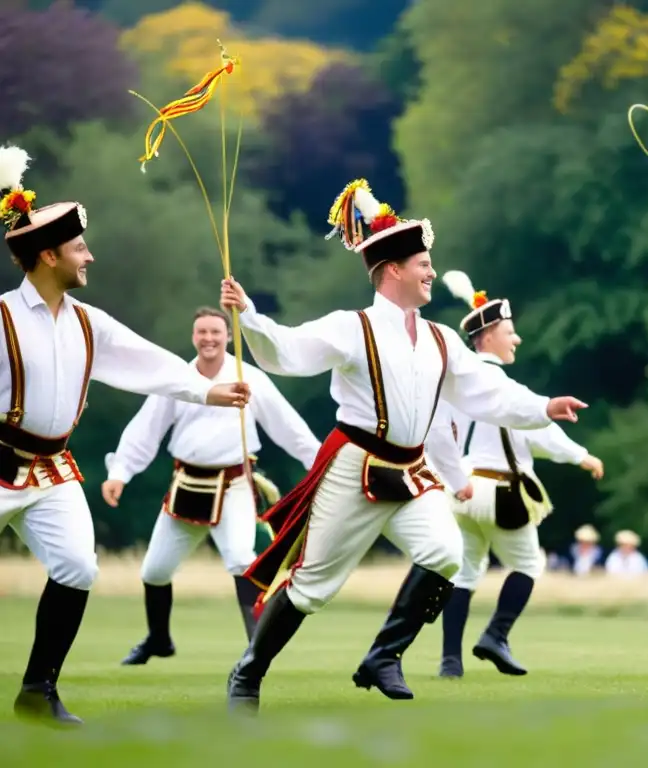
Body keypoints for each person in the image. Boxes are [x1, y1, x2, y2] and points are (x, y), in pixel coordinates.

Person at [220, 178, 588, 709]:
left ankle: (382, 657)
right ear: (392, 270)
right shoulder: (353, 327)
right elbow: (287, 351)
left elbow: (489, 390)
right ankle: (248, 675)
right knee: (312, 588)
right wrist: (249, 315)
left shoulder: (440, 338)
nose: (432, 272)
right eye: (423, 265)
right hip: (354, 466)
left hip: (411, 471)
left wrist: (543, 407)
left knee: (446, 553)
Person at [0, 144, 248, 726]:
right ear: (46, 254)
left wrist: (209, 391)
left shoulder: (88, 321)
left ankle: (38, 692)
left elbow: (149, 362)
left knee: (78, 569)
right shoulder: (3, 318)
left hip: (53, 470)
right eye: (79, 247)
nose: (90, 256)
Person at [102, 306, 321, 665]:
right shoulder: (177, 379)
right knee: (154, 571)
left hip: (233, 485)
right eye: (202, 332)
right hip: (185, 486)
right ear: (193, 337)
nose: (208, 339)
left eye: (216, 332)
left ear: (228, 336)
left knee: (240, 559)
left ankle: (257, 647)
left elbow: (287, 426)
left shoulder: (249, 379)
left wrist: (317, 463)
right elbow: (146, 429)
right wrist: (120, 472)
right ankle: (158, 640)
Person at [433, 270, 605, 679]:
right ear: (488, 336)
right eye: (510, 332)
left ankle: (450, 661)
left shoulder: (455, 386)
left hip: (459, 490)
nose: (517, 339)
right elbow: (538, 429)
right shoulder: (501, 386)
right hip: (499, 492)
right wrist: (582, 456)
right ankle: (496, 635)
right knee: (528, 565)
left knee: (464, 573)